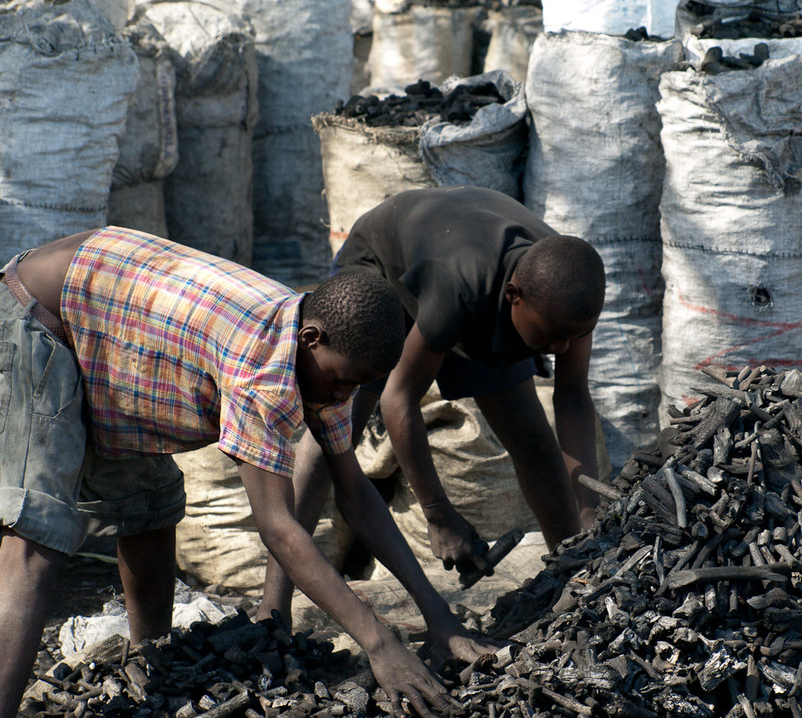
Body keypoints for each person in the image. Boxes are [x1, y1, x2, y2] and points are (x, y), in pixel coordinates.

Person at [0, 227, 490, 718]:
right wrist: (380, 644)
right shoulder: (263, 373)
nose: (342, 398)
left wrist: (440, 617)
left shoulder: (324, 356)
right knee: (39, 538)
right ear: (310, 339)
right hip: (41, 312)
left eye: (355, 388)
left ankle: (152, 669)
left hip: (119, 322)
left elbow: (356, 493)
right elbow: (278, 528)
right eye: (340, 383)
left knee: (151, 511)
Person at [257, 185, 606, 625]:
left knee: (534, 442)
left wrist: (589, 507)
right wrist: (438, 514)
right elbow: (397, 399)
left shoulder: (568, 296)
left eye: (573, 336)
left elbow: (572, 397)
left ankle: (574, 580)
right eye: (549, 337)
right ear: (513, 296)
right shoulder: (460, 288)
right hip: (385, 269)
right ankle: (273, 613)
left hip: (476, 276)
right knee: (333, 434)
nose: (562, 347)